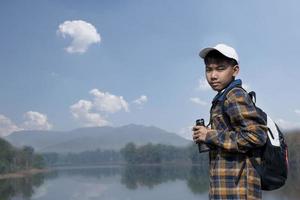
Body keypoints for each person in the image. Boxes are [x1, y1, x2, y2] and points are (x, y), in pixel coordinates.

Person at [192, 43, 268, 200]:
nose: (213, 75)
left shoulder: (235, 95)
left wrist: (210, 135)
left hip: (239, 192)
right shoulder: (223, 98)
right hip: (226, 189)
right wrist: (206, 136)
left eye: (220, 69)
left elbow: (257, 135)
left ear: (235, 70)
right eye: (208, 69)